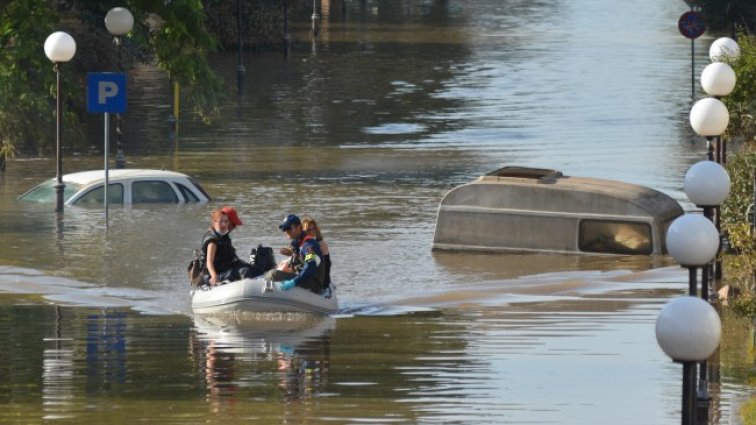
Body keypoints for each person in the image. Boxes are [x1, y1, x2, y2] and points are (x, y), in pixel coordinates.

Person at [200, 206, 263, 286]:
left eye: (226, 222)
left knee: (257, 269)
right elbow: (209, 262)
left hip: (223, 270)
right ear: (214, 222)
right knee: (244, 272)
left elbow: (231, 258)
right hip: (210, 276)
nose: (234, 228)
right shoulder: (212, 240)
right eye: (233, 225)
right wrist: (213, 276)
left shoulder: (223, 236)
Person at [264, 214, 326, 294]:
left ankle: (265, 295)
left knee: (273, 274)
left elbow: (310, 266)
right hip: (306, 279)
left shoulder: (308, 245)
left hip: (314, 284)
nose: (286, 231)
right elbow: (298, 265)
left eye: (289, 228)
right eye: (284, 229)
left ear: (299, 227)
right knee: (275, 270)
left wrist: (294, 282)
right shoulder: (297, 244)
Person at [301, 217, 332, 289]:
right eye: (308, 230)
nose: (311, 232)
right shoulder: (303, 245)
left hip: (321, 281)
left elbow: (325, 266)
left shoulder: (320, 244)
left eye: (313, 229)